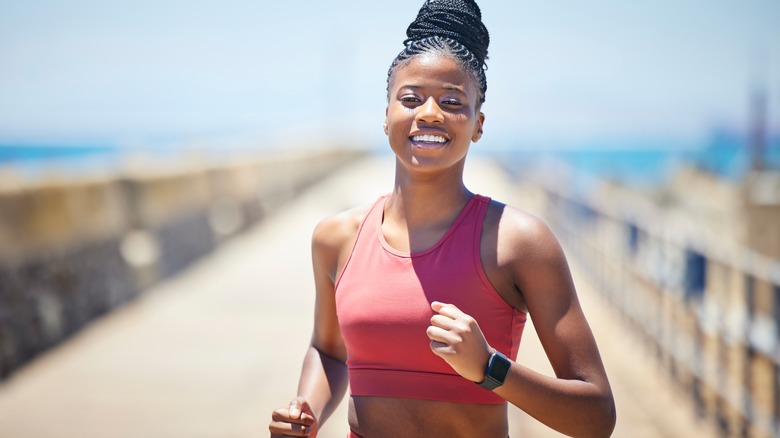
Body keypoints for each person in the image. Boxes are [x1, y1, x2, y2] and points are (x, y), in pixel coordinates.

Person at [269, 0, 616, 436]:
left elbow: (597, 416)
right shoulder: (336, 238)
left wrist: (490, 368)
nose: (429, 113)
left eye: (452, 102)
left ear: (478, 124)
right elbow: (330, 351)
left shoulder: (519, 242)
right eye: (410, 98)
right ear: (386, 115)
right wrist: (308, 413)